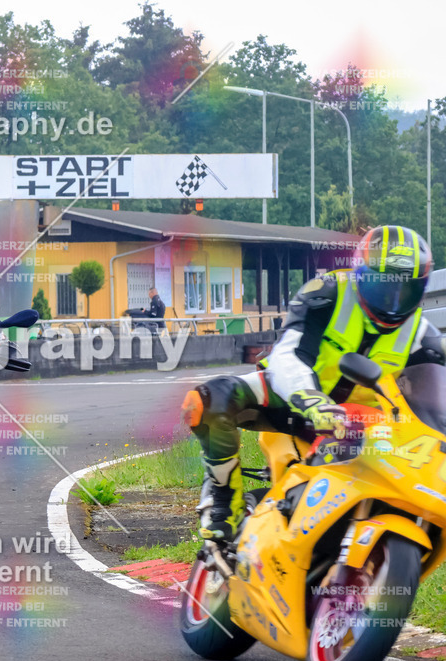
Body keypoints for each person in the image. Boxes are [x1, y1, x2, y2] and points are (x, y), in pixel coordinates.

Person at [182, 226, 443, 541]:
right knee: (205, 401)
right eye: (382, 287)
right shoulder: (327, 292)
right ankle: (227, 503)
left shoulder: (422, 335)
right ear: (360, 274)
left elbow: (436, 405)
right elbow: (287, 354)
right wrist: (311, 399)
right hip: (293, 402)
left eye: (405, 291)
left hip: (364, 426)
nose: (393, 301)